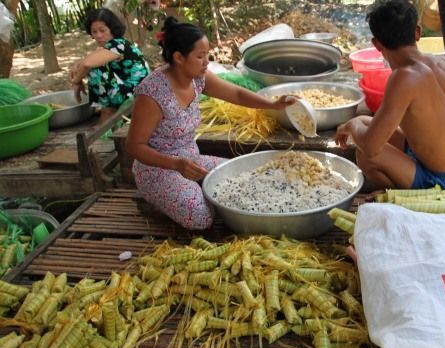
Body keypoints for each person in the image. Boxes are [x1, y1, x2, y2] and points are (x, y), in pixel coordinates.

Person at [125, 17, 293, 230]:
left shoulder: (197, 77)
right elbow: (133, 146)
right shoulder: (152, 94)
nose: (207, 61)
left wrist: (273, 104)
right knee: (201, 217)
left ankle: (191, 193)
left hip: (191, 160)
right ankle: (160, 198)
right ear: (178, 57)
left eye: (207, 55)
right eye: (200, 56)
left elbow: (238, 94)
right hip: (158, 170)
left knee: (246, 180)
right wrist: (176, 165)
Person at [335, 0, 445, 196]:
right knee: (366, 123)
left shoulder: (403, 77)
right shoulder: (441, 63)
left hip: (439, 185)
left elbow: (371, 147)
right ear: (417, 32)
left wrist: (351, 124)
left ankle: (402, 196)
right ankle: (403, 185)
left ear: (377, 44)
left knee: (365, 152)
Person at [69, 8, 150, 124]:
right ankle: (107, 110)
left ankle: (107, 111)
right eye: (94, 32)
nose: (98, 36)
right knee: (92, 64)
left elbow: (87, 64)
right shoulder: (113, 44)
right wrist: (77, 68)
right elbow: (85, 62)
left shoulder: (117, 44)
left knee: (96, 68)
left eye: (102, 30)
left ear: (112, 29)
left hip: (137, 98)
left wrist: (76, 82)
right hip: (135, 93)